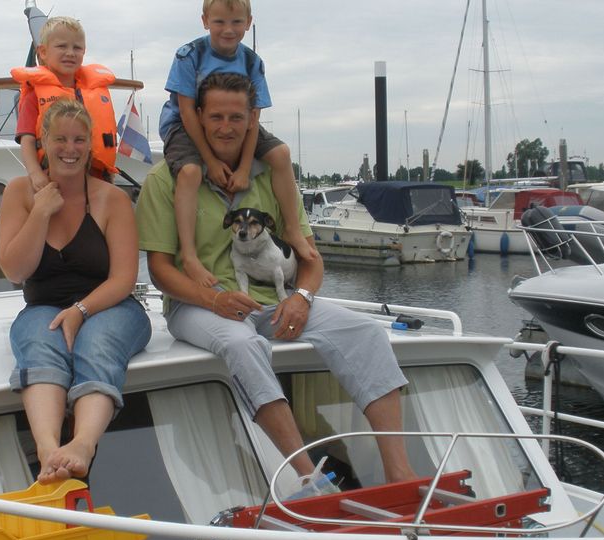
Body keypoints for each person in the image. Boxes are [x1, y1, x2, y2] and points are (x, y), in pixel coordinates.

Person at [137, 72, 417, 484]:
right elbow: (160, 271)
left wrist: (302, 296)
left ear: (252, 119)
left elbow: (309, 258)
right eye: (215, 116)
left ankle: (400, 473)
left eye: (236, 117)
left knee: (366, 332)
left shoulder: (273, 175)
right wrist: (215, 300)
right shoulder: (169, 178)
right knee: (243, 343)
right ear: (197, 116)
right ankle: (310, 479)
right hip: (198, 305)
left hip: (278, 301)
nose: (226, 127)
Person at [0, 99, 150, 484]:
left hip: (110, 306)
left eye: (79, 140)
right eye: (61, 139)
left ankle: (83, 443)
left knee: (96, 345)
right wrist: (40, 212)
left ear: (90, 146)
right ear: (43, 143)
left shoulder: (112, 199)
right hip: (43, 306)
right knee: (38, 343)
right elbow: (16, 270)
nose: (70, 149)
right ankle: (49, 451)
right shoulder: (19, 193)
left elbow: (123, 279)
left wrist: (81, 310)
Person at [159, 0, 317, 289]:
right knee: (191, 173)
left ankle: (294, 229)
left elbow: (253, 118)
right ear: (205, 21)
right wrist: (211, 160)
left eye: (236, 22)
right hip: (185, 125)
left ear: (249, 22)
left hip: (237, 123)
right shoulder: (189, 56)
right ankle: (191, 256)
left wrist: (244, 167)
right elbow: (187, 111)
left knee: (281, 153)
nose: (228, 30)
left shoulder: (252, 62)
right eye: (219, 22)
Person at [11, 16, 119, 190]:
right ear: (43, 52)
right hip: (54, 178)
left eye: (77, 47)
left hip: (95, 177)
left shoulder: (95, 90)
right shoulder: (35, 95)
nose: (70, 52)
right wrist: (35, 174)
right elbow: (28, 140)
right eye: (62, 46)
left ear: (84, 51)